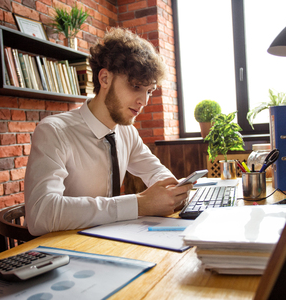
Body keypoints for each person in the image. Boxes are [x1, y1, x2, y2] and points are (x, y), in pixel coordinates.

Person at [24, 27, 192, 236]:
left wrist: (174, 191)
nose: (144, 101)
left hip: (109, 243)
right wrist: (138, 204)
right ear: (104, 79)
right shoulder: (54, 132)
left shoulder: (126, 132)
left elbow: (155, 171)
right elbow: (41, 215)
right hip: (62, 253)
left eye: (149, 91)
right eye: (136, 86)